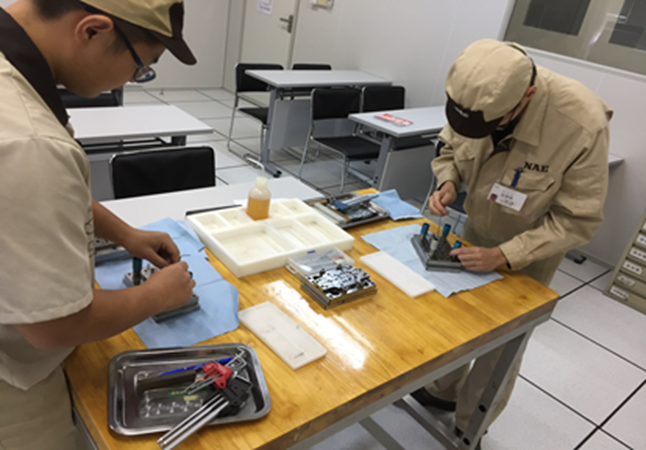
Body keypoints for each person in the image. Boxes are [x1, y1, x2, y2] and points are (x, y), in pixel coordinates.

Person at [0, 1, 198, 448]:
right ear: (92, 31)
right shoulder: (28, 140)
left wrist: (125, 233)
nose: (131, 81)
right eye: (141, 67)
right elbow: (53, 326)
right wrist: (157, 295)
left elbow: (37, 195)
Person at [412, 39, 612, 444]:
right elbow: (451, 147)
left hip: (531, 249)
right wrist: (449, 180)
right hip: (476, 230)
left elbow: (577, 221)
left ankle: (471, 422)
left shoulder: (581, 124)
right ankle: (442, 390)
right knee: (459, 320)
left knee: (500, 342)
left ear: (528, 97)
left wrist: (505, 254)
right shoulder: (473, 94)